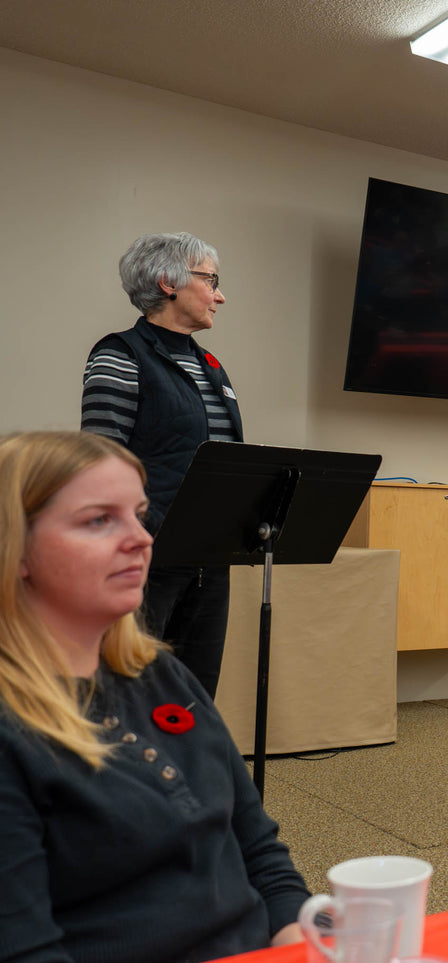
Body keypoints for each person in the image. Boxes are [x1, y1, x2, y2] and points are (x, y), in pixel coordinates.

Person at [0, 430, 308, 962]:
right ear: (16, 549)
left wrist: (296, 938)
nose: (143, 539)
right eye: (100, 520)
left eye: (140, 515)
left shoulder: (158, 670)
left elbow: (257, 849)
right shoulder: (12, 730)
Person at [81, 232, 243, 699]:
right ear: (167, 283)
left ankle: (191, 773)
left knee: (194, 692)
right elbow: (99, 462)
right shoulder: (120, 355)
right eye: (210, 279)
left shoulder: (210, 365)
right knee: (130, 691)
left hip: (210, 556)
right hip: (145, 556)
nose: (220, 294)